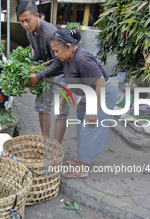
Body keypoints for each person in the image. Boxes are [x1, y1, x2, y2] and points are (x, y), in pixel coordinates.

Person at [50, 29, 118, 178]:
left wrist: (94, 111)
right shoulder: (67, 59)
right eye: (54, 51)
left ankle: (82, 168)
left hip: (103, 93)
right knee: (81, 123)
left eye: (57, 51)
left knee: (90, 126)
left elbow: (100, 83)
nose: (56, 55)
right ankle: (83, 159)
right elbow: (71, 81)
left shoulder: (82, 59)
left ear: (68, 46)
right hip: (91, 93)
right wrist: (62, 100)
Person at [16, 0, 67, 143]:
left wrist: (38, 76)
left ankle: (56, 146)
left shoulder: (50, 33)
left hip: (62, 73)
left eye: (27, 20)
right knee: (42, 108)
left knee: (60, 112)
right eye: (21, 22)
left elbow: (60, 62)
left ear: (37, 15)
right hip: (47, 73)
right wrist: (30, 69)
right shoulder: (30, 33)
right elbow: (38, 56)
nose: (25, 25)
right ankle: (46, 141)